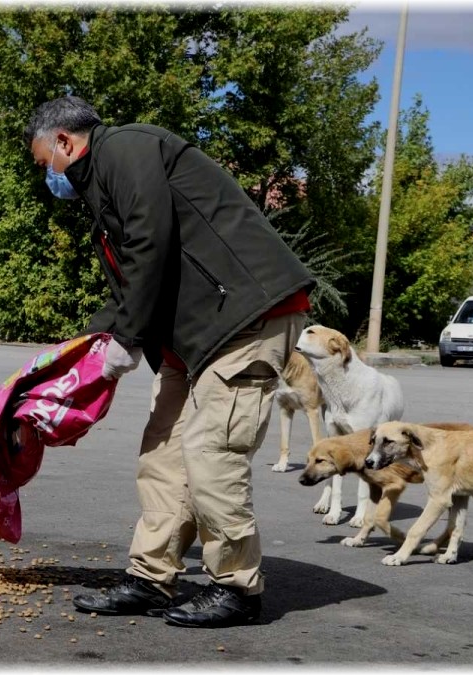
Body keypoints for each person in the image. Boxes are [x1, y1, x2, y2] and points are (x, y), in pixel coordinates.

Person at [25, 96, 313, 628]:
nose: (50, 177)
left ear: (64, 141)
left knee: (210, 450)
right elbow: (130, 284)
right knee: (163, 453)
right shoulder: (105, 187)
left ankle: (237, 588)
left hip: (244, 317)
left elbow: (149, 242)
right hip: (194, 335)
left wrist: (127, 339)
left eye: (46, 163)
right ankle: (151, 577)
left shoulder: (127, 148)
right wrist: (74, 353)